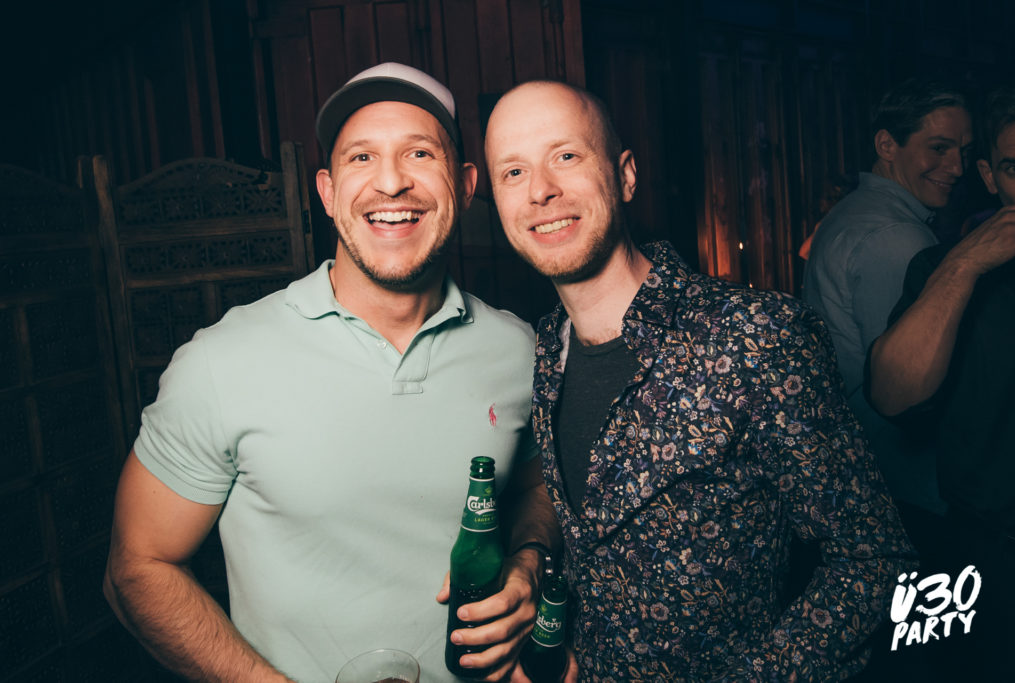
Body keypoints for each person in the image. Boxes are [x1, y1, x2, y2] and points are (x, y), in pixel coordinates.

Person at [103, 62, 560, 683]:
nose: (391, 182)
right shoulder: (222, 361)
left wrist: (529, 558)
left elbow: (540, 485)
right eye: (361, 158)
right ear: (326, 191)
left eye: (420, 153)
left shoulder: (518, 349)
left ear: (465, 182)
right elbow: (137, 566)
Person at [483, 80, 916, 681]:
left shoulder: (755, 337)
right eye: (513, 172)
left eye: (566, 155)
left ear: (625, 176)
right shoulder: (545, 349)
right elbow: (593, 553)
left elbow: (875, 562)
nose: (540, 190)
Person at [867, 83, 1015, 678]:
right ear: (990, 176)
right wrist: (964, 264)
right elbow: (891, 398)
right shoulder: (942, 267)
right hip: (987, 558)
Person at [801, 79, 972, 522]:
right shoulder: (896, 236)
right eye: (939, 148)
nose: (957, 167)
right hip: (901, 483)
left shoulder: (857, 212)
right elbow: (908, 387)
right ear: (887, 145)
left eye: (963, 151)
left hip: (869, 474)